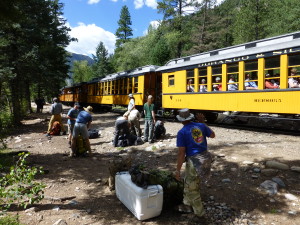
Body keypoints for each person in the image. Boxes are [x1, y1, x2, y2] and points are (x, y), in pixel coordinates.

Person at [175, 108, 215, 222]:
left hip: (195, 161)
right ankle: (186, 204)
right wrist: (203, 123)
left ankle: (200, 214)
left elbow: (181, 153)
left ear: (181, 120)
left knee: (192, 188)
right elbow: (212, 135)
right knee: (190, 181)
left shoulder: (182, 132)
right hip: (206, 158)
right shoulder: (201, 126)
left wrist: (177, 170)